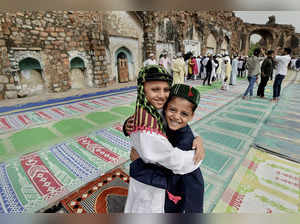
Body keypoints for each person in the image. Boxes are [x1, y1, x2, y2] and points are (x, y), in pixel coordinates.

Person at [123, 65, 203, 213]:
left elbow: (176, 121)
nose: (161, 95)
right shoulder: (146, 126)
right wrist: (197, 156)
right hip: (150, 182)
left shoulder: (153, 109)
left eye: (166, 90)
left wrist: (197, 138)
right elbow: (174, 160)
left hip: (152, 178)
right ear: (142, 89)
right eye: (155, 89)